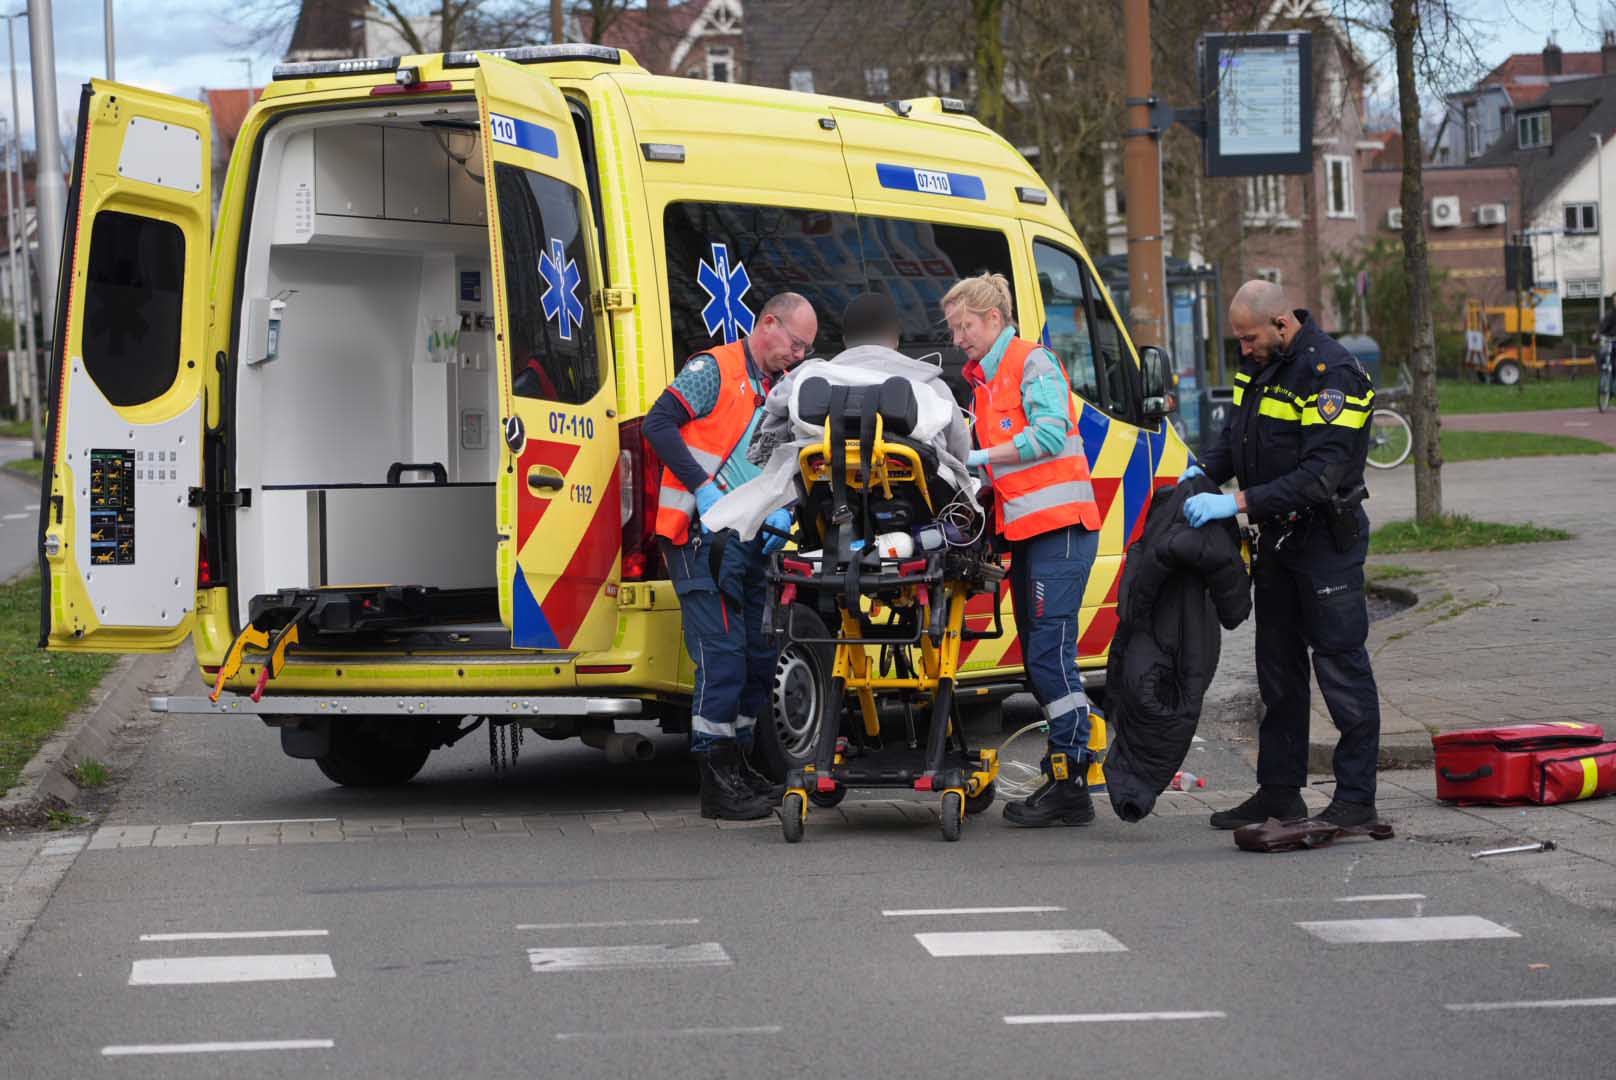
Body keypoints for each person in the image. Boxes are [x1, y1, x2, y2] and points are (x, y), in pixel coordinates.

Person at [1183, 280, 1381, 829]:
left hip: (1324, 545)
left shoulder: (1332, 375)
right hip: (1276, 543)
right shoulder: (1262, 366)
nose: (1242, 350)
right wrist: (1200, 473)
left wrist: (1236, 503)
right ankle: (1279, 792)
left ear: (1282, 323)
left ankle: (1357, 799)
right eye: (1239, 341)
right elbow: (1238, 438)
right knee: (1277, 675)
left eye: (1248, 339)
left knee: (1340, 669)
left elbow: (1320, 477)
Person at [644, 292, 818, 820]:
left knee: (758, 660)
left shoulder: (778, 391)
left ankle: (739, 769)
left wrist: (781, 513)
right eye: (795, 342)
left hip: (747, 543)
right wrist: (701, 488)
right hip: (699, 537)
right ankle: (716, 781)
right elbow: (658, 424)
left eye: (807, 349)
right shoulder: (713, 370)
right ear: (768, 323)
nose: (799, 355)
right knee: (721, 659)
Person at [942, 272, 1103, 827]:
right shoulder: (985, 381)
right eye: (955, 328)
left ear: (992, 319)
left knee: (1049, 658)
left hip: (1059, 531)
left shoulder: (1032, 362)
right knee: (1042, 656)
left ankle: (1071, 782)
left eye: (964, 326)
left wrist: (979, 461)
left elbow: (1051, 435)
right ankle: (1069, 778)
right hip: (1035, 536)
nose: (958, 338)